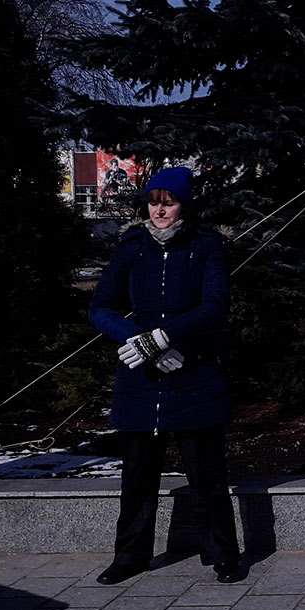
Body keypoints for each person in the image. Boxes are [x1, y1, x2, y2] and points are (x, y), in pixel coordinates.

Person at [89, 166, 244, 584]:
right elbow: (100, 307)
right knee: (138, 476)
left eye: (168, 203)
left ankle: (222, 553)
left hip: (195, 373)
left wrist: (165, 337)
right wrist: (139, 342)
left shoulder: (206, 246)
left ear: (183, 206)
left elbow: (215, 306)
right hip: (141, 379)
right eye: (154, 202)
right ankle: (130, 556)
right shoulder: (132, 246)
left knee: (206, 473)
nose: (159, 211)